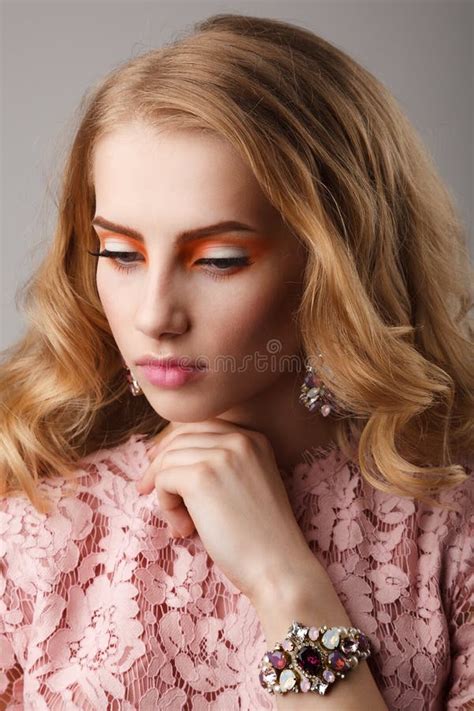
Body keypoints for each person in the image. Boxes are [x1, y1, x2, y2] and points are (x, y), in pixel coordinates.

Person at [0, 12, 472, 711]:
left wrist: (284, 579)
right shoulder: (31, 522)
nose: (155, 314)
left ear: (334, 264)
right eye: (122, 254)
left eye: (219, 260)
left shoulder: (450, 532)